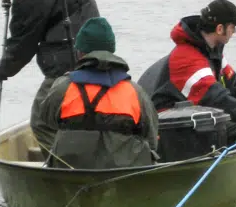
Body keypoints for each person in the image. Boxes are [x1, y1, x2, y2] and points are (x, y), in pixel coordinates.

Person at [138, 0, 236, 146]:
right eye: (232, 27)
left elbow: (235, 87)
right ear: (220, 29)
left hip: (192, 117)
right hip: (167, 128)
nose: (234, 32)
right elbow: (219, 99)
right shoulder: (186, 58)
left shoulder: (213, 53)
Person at [0, 0, 99, 139]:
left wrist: (3, 70)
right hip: (92, 45)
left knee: (41, 121)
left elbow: (22, 44)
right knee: (76, 116)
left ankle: (60, 165)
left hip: (66, 57)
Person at [36, 17, 159, 169]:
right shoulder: (135, 92)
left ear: (80, 53)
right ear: (111, 50)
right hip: (124, 173)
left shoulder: (63, 87)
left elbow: (45, 120)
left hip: (70, 170)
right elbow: (152, 137)